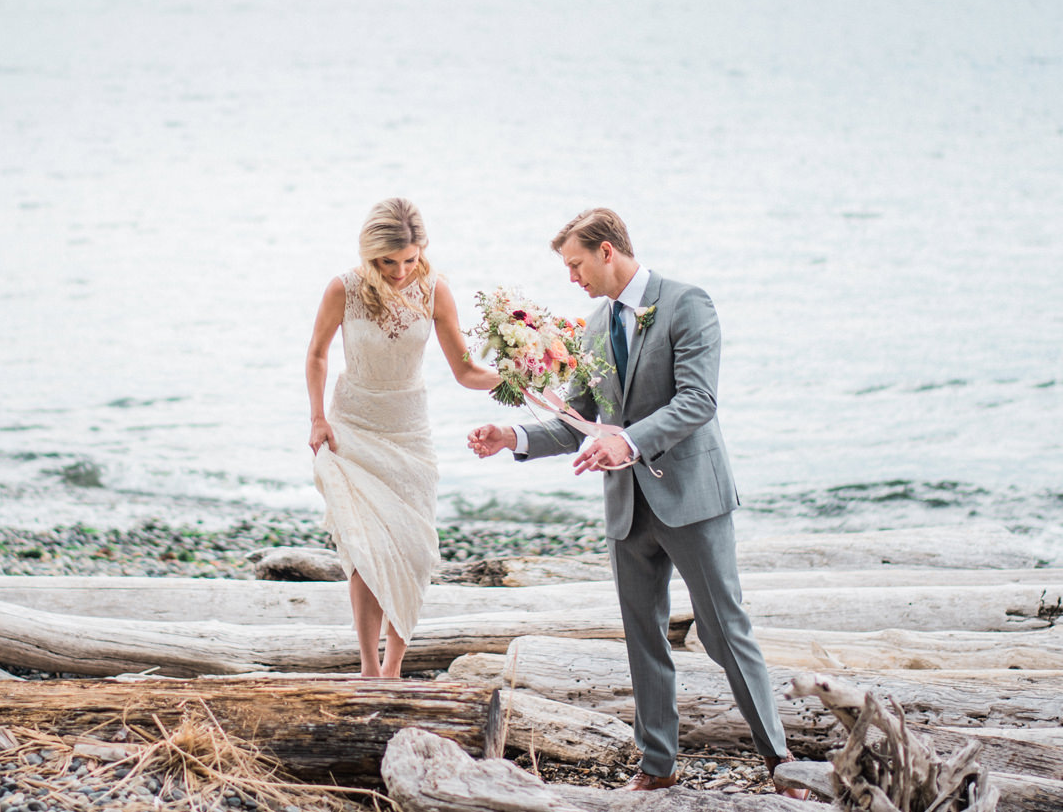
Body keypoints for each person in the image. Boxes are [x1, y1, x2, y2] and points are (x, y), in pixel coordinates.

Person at [467, 208, 802, 795]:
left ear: (606, 251)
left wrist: (630, 440)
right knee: (642, 636)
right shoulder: (595, 326)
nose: (572, 277)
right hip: (627, 507)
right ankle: (657, 766)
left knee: (725, 631)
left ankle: (781, 762)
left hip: (691, 497)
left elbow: (699, 401)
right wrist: (511, 437)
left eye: (575, 264)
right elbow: (580, 425)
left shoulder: (687, 303)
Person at [308, 197, 501, 678]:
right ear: (370, 254)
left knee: (414, 548)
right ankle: (370, 670)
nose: (399, 271)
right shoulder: (344, 289)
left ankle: (395, 666)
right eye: (388, 261)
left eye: (409, 260)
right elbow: (316, 354)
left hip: (409, 429)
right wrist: (317, 417)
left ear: (423, 251)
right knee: (365, 546)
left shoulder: (436, 289)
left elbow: (465, 370)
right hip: (354, 425)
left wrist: (517, 377)